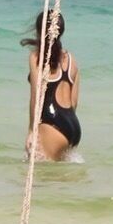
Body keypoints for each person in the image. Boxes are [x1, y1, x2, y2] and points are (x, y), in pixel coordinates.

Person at [21, 10, 80, 160]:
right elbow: (73, 103)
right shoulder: (72, 60)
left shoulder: (36, 58)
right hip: (73, 126)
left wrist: (31, 130)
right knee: (58, 179)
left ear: (39, 31)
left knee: (41, 179)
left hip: (52, 123)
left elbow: (35, 96)